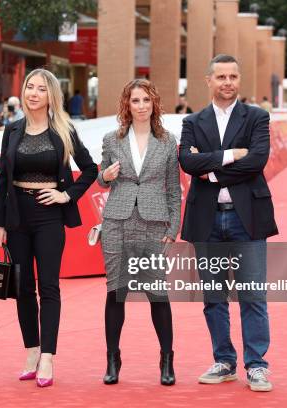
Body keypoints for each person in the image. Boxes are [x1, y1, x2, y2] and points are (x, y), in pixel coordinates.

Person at [0, 68, 97, 388]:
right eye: (29, 87)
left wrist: (66, 194)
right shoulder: (12, 130)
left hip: (49, 216)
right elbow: (1, 179)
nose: (33, 93)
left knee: (48, 286)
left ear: (51, 95)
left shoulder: (64, 130)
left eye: (40, 88)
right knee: (23, 287)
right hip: (16, 216)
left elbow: (90, 169)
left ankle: (48, 356)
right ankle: (32, 351)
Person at [178, 54, 278, 392]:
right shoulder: (193, 121)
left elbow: (257, 161)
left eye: (233, 76)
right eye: (221, 76)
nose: (228, 82)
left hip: (246, 218)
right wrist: (230, 155)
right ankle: (224, 361)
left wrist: (210, 169)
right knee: (214, 296)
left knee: (252, 294)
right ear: (208, 80)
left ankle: (257, 365)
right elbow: (186, 162)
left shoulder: (256, 117)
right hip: (206, 220)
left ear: (239, 79)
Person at [97, 79, 181, 386]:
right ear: (127, 105)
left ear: (154, 103)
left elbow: (173, 188)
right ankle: (112, 359)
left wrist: (173, 227)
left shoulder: (168, 141)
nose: (141, 105)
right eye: (135, 100)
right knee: (115, 292)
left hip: (154, 225)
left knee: (157, 293)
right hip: (117, 222)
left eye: (146, 100)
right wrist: (104, 175)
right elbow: (101, 181)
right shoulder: (111, 139)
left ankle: (167, 359)